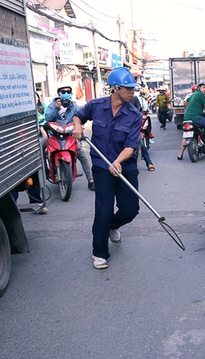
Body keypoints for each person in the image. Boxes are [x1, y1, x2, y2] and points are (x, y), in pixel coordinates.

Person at [72, 67, 142, 270]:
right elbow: (78, 116)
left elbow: (130, 146)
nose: (132, 92)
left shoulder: (134, 114)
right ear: (116, 89)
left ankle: (113, 225)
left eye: (133, 89)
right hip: (102, 168)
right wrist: (77, 125)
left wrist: (118, 161)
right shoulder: (96, 106)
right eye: (128, 89)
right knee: (103, 209)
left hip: (125, 167)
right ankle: (99, 253)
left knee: (131, 209)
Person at [45, 85, 96, 191]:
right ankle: (45, 172)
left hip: (70, 136)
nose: (66, 93)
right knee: (40, 149)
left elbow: (81, 116)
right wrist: (56, 107)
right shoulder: (52, 105)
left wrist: (79, 127)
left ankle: (91, 180)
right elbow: (48, 118)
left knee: (82, 155)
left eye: (69, 91)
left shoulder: (74, 106)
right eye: (64, 91)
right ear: (59, 93)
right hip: (54, 136)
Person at [177, 80, 205, 159]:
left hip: (186, 118)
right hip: (195, 117)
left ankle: (180, 154)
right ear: (199, 87)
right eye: (203, 87)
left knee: (186, 135)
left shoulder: (192, 95)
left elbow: (186, 102)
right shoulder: (200, 95)